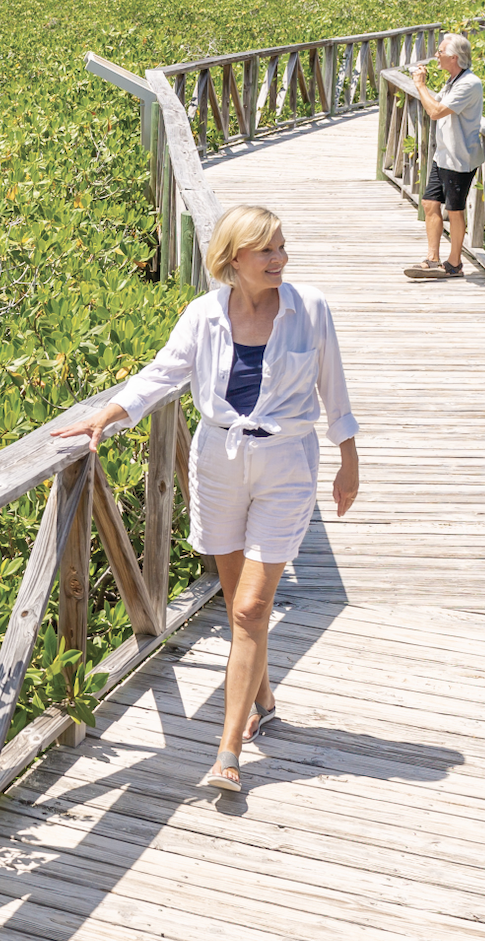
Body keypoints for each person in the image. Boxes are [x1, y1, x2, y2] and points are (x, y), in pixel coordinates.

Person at [51, 204, 360, 792]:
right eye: (265, 250)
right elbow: (161, 375)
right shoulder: (203, 316)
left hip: (286, 464)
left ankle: (226, 754)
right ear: (232, 259)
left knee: (249, 610)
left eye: (282, 246)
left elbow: (335, 390)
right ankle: (262, 694)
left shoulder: (310, 308)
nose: (279, 259)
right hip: (218, 461)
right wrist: (106, 416)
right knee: (237, 598)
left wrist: (349, 462)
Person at [404, 32, 485, 281]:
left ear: (454, 57)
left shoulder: (469, 83)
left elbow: (436, 111)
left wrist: (419, 85)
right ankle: (432, 258)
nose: (436, 56)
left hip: (460, 158)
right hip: (444, 155)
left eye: (440, 52)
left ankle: (454, 263)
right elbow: (434, 104)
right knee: (429, 203)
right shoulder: (453, 80)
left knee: (455, 210)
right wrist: (423, 86)